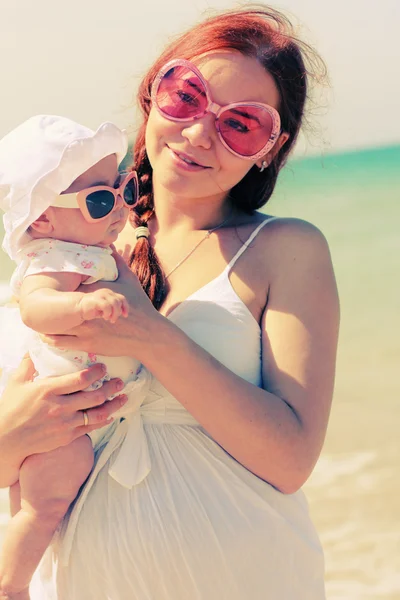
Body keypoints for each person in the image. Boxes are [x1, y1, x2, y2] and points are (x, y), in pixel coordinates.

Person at [0, 6, 340, 599]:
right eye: (187, 96)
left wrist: (151, 336)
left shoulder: (286, 249)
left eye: (241, 124)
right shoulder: (64, 248)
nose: (198, 133)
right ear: (154, 93)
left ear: (270, 147)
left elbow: (290, 462)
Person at [0, 115, 152, 600]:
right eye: (99, 201)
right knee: (41, 509)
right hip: (62, 417)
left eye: (122, 190)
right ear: (41, 218)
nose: (118, 210)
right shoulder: (53, 257)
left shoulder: (93, 251)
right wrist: (82, 305)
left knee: (45, 506)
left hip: (80, 410)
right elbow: (35, 307)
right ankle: (12, 584)